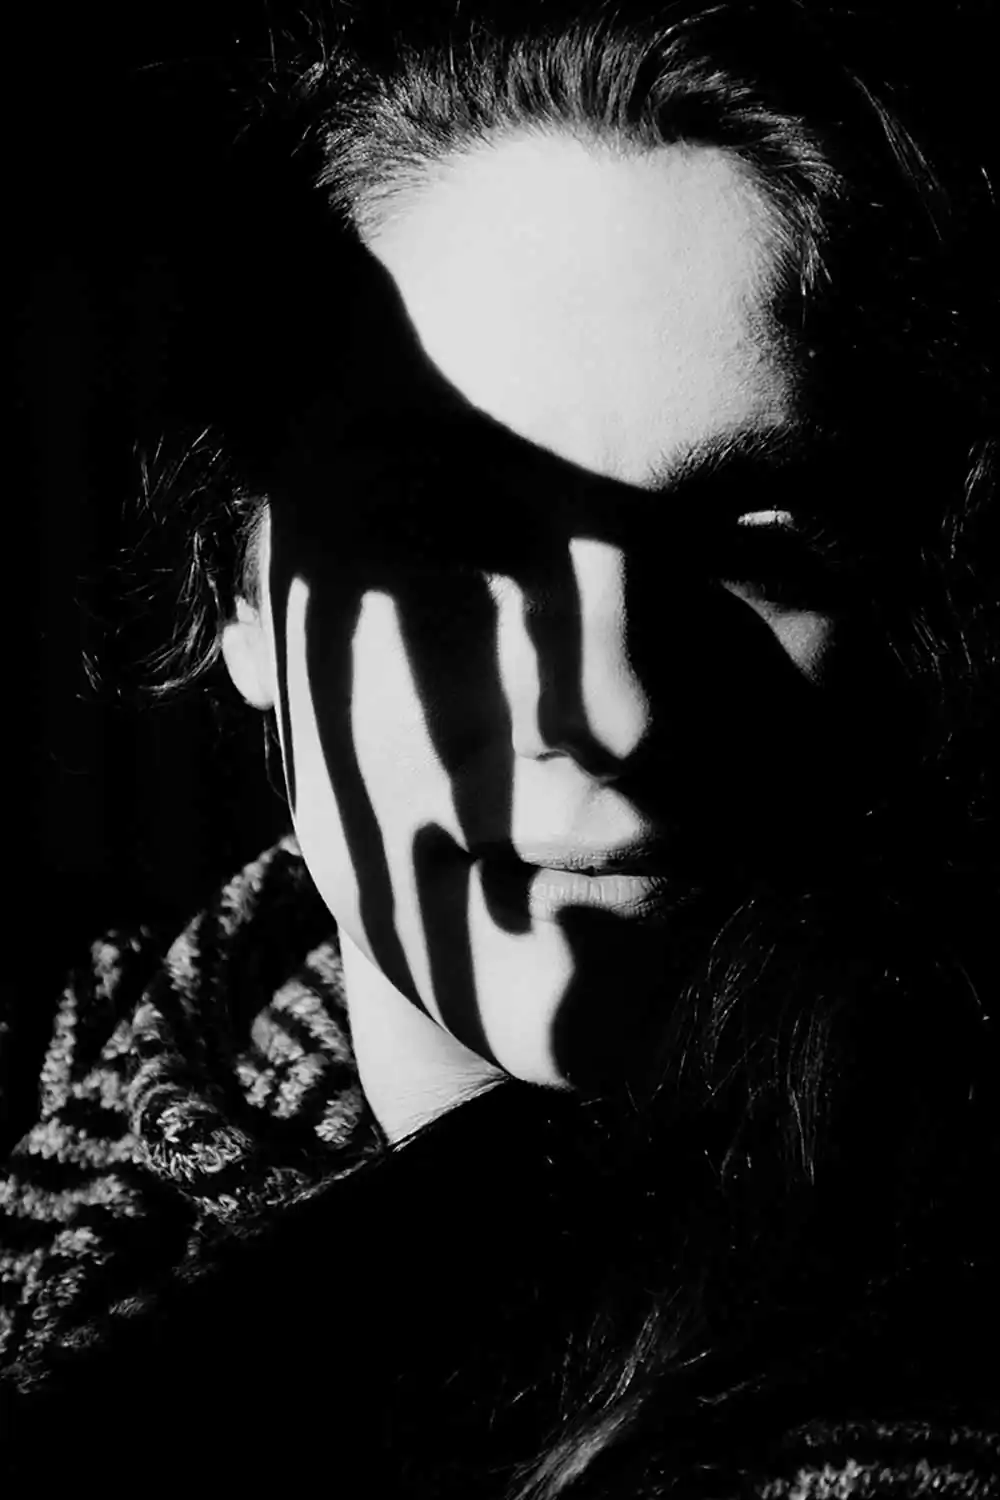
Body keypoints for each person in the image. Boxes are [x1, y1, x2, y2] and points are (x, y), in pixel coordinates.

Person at [3, 0, 998, 1493]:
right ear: (237, 591)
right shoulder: (50, 1079)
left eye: (755, 542)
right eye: (449, 537)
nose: (610, 707)